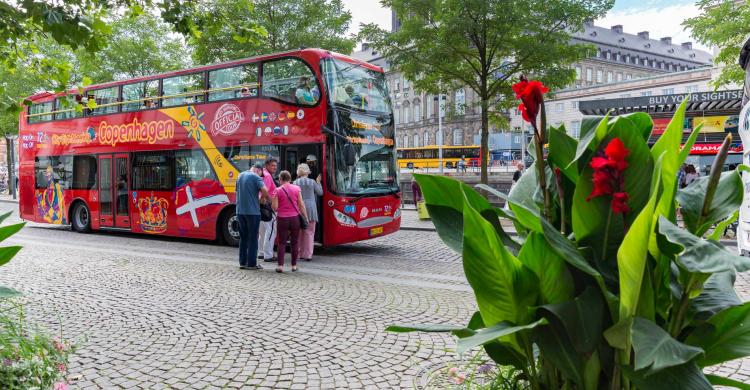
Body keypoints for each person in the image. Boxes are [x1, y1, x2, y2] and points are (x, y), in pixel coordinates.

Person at [272, 170, 308, 273]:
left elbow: (275, 207)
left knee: (282, 243)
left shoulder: (277, 190)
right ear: (290, 179)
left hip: (282, 219)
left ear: (280, 179)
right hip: (295, 219)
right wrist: (305, 216)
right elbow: (301, 204)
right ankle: (294, 266)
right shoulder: (297, 189)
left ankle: (280, 266)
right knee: (295, 242)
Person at [236, 164, 270, 270]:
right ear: (258, 170)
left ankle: (242, 262)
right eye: (261, 174)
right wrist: (264, 199)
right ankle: (251, 264)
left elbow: (236, 192)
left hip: (240, 212)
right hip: (253, 212)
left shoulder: (240, 176)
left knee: (243, 238)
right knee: (253, 238)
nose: (261, 176)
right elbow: (265, 190)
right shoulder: (256, 177)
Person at [294, 163, 322, 262]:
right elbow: (320, 192)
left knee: (299, 233)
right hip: (310, 209)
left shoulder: (295, 182)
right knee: (310, 232)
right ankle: (308, 254)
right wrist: (318, 182)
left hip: (299, 208)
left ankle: (300, 253)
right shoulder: (312, 182)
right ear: (308, 171)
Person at [258, 158, 279, 262]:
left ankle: (261, 252)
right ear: (266, 165)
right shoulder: (267, 176)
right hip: (267, 207)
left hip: (261, 206)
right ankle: (268, 254)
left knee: (262, 230)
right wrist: (270, 203)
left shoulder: (263, 174)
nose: (275, 167)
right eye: (272, 165)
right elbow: (263, 191)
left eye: (275, 165)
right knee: (270, 230)